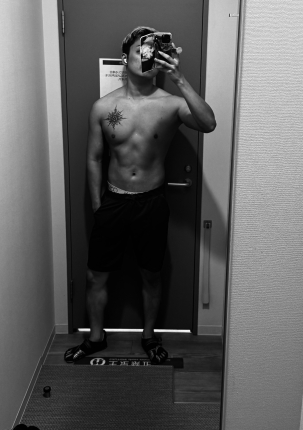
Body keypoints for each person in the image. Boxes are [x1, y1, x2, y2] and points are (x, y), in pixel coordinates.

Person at [64, 26, 216, 364]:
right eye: (141, 50)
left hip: (152, 202)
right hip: (113, 201)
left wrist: (178, 77)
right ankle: (95, 337)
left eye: (153, 51)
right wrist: (98, 205)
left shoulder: (171, 104)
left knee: (151, 274)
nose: (147, 56)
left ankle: (149, 336)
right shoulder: (103, 107)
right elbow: (94, 158)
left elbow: (208, 123)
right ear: (125, 59)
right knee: (95, 275)